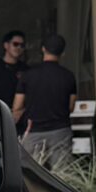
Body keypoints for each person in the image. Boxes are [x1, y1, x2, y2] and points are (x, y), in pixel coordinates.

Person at [20, 33, 79, 164]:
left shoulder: (28, 75)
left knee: (32, 175)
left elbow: (18, 105)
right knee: (62, 175)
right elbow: (71, 106)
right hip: (61, 130)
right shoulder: (68, 76)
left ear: (43, 49)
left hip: (34, 130)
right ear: (63, 53)